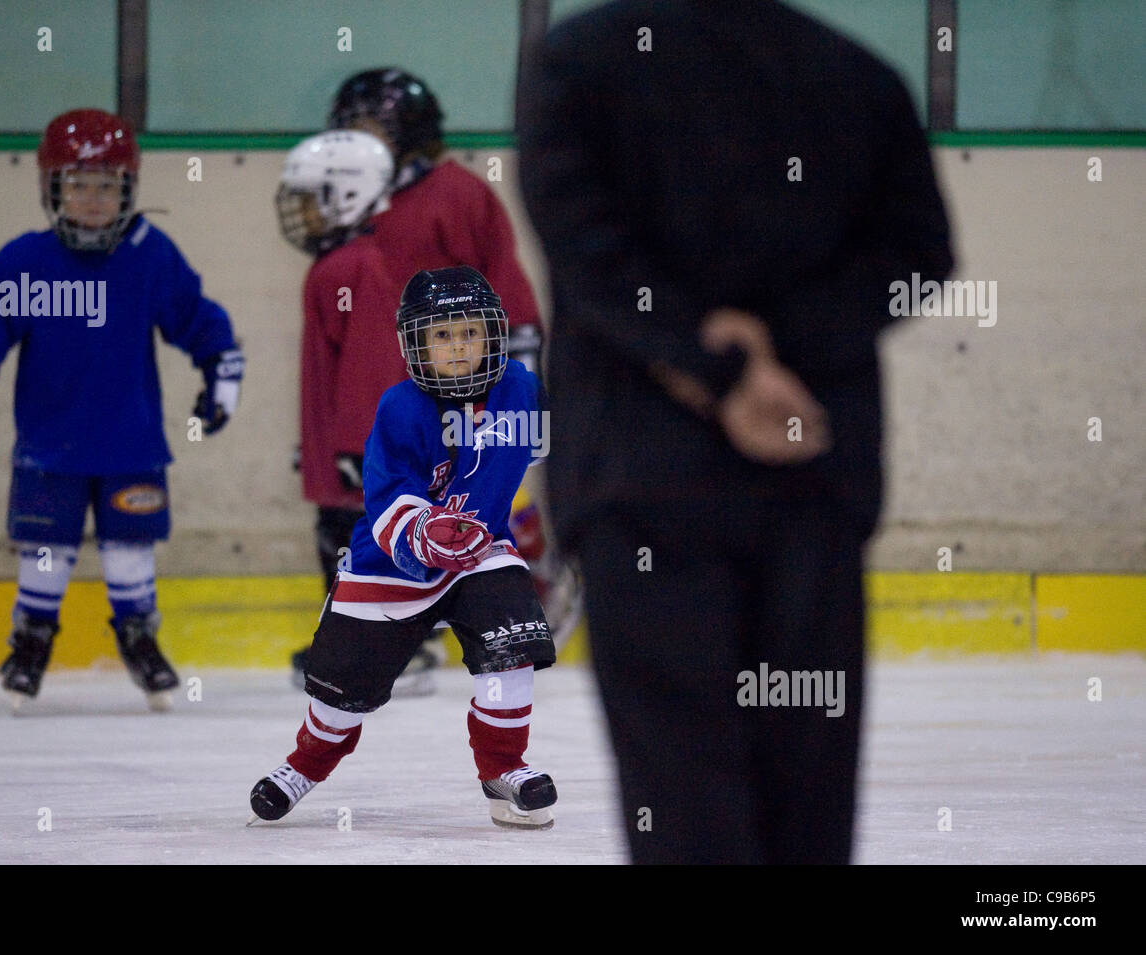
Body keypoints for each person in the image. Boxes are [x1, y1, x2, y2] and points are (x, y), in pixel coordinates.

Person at [516, 1, 954, 862]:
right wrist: (778, 358)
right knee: (805, 791)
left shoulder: (577, 62)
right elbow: (918, 254)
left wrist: (715, 367)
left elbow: (584, 246)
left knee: (680, 789)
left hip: (640, 483)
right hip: (809, 471)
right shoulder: (857, 76)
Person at [283, 69, 577, 695]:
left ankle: (499, 592)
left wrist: (514, 383)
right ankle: (390, 632)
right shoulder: (362, 203)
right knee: (386, 509)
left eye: (370, 128)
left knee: (459, 494)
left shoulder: (459, 194)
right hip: (403, 395)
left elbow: (507, 287)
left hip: (461, 386)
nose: (356, 141)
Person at [0, 108, 243, 710]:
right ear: (51, 188)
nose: (94, 199)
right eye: (78, 185)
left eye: (108, 186)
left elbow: (195, 316)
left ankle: (139, 638)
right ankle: (30, 644)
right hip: (48, 445)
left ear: (129, 189)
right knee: (45, 551)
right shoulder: (23, 261)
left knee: (129, 548)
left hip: (130, 442)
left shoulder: (149, 254)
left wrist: (220, 370)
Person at [250, 267, 558, 829]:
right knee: (341, 695)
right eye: (441, 335)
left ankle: (502, 768)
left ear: (493, 334)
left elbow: (548, 456)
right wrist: (423, 532)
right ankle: (304, 765)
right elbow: (387, 494)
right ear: (415, 345)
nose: (458, 346)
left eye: (469, 332)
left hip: (481, 552)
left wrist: (548, 527)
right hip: (391, 563)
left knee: (512, 650)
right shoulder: (400, 408)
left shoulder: (523, 389)